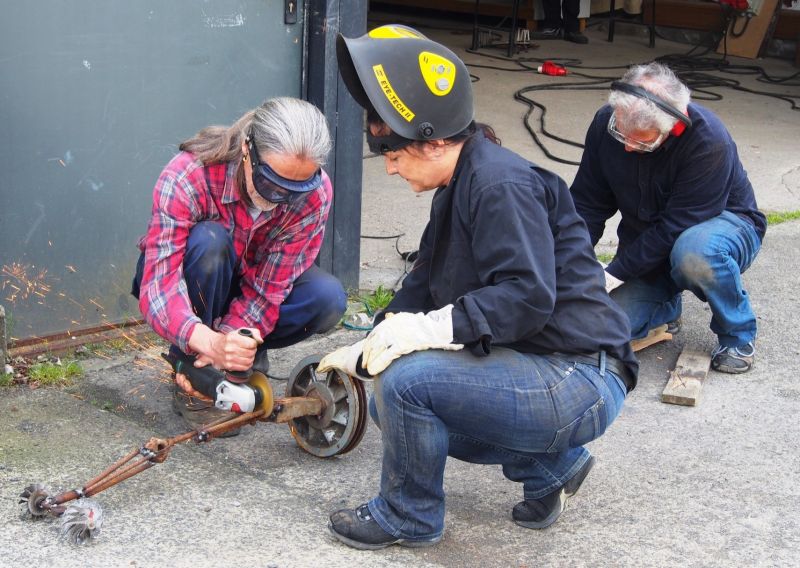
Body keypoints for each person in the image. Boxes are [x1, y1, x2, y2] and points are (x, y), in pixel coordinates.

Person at [317, 24, 638, 550]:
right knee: (389, 400)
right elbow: (424, 282)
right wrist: (376, 337)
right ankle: (554, 467)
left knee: (410, 384)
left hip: (579, 373)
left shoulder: (499, 185)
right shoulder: (459, 184)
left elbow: (526, 297)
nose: (391, 169)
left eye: (395, 156)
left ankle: (407, 517)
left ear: (435, 140)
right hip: (548, 364)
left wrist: (428, 331)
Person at [132, 97, 346, 430]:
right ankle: (190, 364)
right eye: (269, 183)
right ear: (248, 150)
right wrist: (208, 343)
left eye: (293, 191)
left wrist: (237, 341)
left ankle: (241, 354)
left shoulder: (316, 194)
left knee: (326, 297)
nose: (278, 198)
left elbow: (269, 288)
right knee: (210, 242)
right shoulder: (188, 175)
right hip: (195, 281)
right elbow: (159, 285)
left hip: (252, 290)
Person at [570, 62, 766, 374]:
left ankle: (737, 332)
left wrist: (610, 275)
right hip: (651, 242)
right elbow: (586, 202)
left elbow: (676, 227)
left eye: (643, 140)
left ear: (672, 126)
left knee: (694, 254)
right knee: (594, 330)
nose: (630, 147)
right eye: (622, 135)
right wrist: (571, 259)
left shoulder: (707, 141)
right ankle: (665, 305)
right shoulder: (605, 124)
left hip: (721, 228)